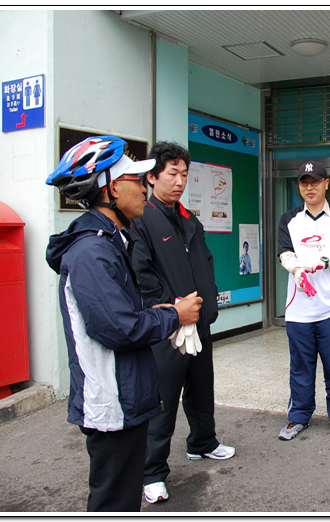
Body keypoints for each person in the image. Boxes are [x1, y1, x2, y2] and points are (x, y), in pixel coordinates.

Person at [45, 136, 203, 512]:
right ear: (113, 188)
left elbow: (123, 308)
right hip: (111, 401)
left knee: (124, 498)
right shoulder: (92, 251)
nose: (144, 185)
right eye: (135, 179)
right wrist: (173, 316)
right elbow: (119, 327)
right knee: (113, 501)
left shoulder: (111, 240)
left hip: (125, 395)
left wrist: (161, 306)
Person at [130, 141, 234, 505]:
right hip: (167, 326)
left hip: (199, 323)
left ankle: (202, 443)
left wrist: (208, 303)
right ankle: (152, 472)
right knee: (162, 401)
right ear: (152, 176)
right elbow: (141, 273)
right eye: (172, 173)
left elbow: (205, 263)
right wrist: (174, 308)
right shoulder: (143, 218)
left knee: (201, 389)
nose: (179, 181)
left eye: (184, 174)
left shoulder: (190, 219)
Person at [276, 160, 330, 443]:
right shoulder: (289, 219)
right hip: (298, 309)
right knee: (300, 367)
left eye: (315, 181)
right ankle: (298, 416)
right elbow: (285, 253)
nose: (309, 187)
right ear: (299, 186)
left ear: (326, 184)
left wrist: (327, 261)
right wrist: (297, 269)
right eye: (304, 182)